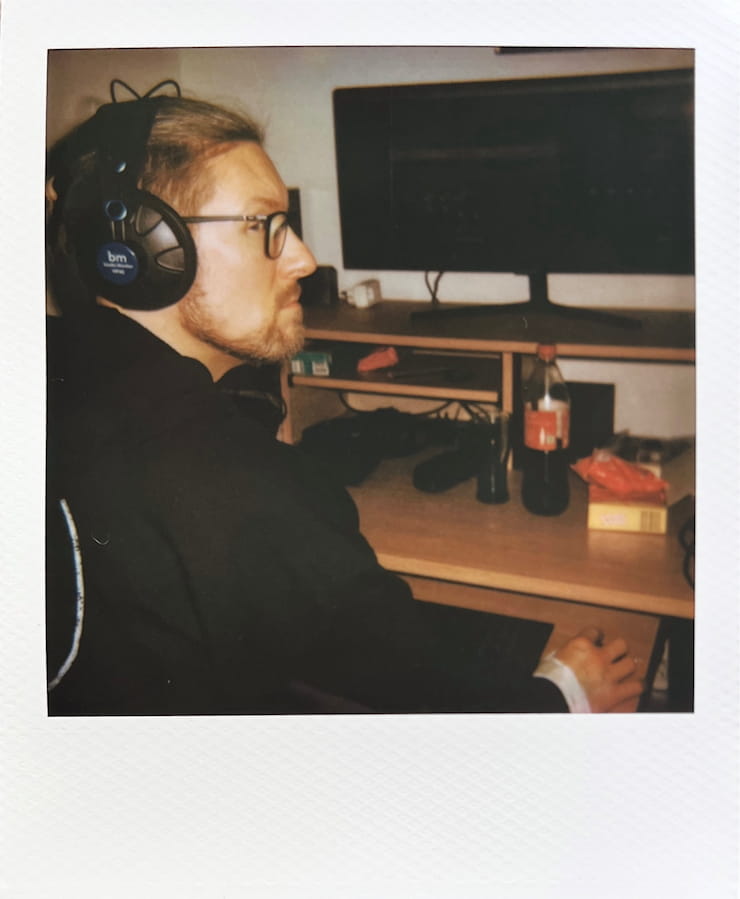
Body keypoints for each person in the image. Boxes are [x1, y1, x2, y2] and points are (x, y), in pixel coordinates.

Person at [45, 85, 643, 715]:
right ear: (145, 249)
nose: (303, 258)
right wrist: (562, 695)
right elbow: (431, 698)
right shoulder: (235, 480)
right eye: (265, 225)